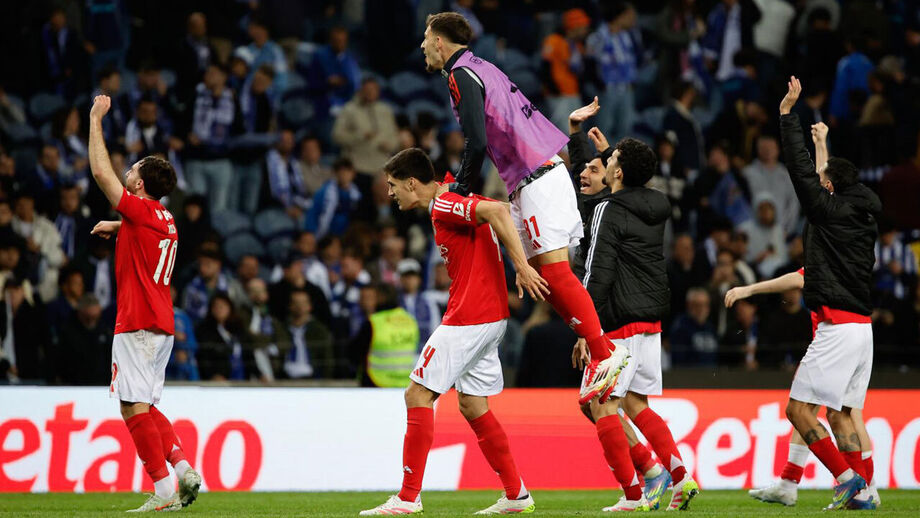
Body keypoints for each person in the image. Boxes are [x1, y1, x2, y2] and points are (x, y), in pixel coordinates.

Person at [421, 12, 628, 404]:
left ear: (440, 42)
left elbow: (476, 142)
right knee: (540, 281)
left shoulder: (460, 74)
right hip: (531, 178)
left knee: (553, 272)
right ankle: (599, 349)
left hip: (537, 177)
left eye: (426, 38)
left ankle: (605, 355)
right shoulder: (482, 67)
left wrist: (461, 189)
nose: (422, 46)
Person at [360, 148, 548, 515]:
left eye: (393, 185)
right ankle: (516, 494)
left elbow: (497, 210)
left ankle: (408, 498)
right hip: (490, 318)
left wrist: (521, 267)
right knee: (473, 404)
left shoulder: (445, 203)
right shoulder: (451, 196)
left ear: (413, 183)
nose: (390, 193)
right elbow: (491, 207)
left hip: (470, 316)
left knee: (417, 395)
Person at [567, 103, 698, 511]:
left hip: (618, 320)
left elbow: (597, 272)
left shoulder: (610, 209)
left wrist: (585, 329)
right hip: (649, 320)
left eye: (611, 163)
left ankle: (634, 493)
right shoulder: (653, 204)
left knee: (598, 403)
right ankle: (677, 476)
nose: (604, 166)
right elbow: (608, 191)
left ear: (617, 173)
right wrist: (587, 143)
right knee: (636, 403)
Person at [86, 95, 200, 511]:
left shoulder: (140, 210)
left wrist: (96, 118)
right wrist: (118, 226)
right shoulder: (164, 218)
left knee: (130, 406)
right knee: (146, 404)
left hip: (136, 323)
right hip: (161, 324)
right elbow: (147, 233)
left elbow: (100, 171)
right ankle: (182, 466)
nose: (126, 170)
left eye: (132, 170)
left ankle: (163, 488)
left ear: (138, 185)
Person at [777, 77, 880, 510]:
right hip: (863, 332)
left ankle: (846, 479)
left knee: (799, 412)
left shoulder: (827, 211)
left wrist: (788, 118)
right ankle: (867, 493)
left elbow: (805, 176)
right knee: (841, 415)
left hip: (836, 328)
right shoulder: (862, 218)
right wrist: (824, 144)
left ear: (830, 188)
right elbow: (823, 179)